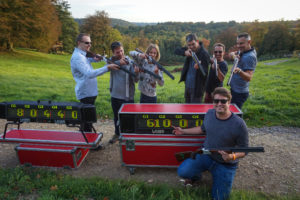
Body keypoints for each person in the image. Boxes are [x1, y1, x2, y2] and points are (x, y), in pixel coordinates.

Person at [173, 87, 248, 200]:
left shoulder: (239, 124)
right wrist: (183, 131)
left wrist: (232, 156)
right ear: (213, 102)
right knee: (183, 171)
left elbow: (244, 150)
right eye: (216, 101)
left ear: (229, 102)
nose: (219, 104)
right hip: (206, 155)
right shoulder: (209, 113)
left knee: (219, 198)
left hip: (226, 164)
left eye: (223, 101)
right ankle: (196, 177)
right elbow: (202, 129)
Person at [70, 33, 119, 132]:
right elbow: (89, 73)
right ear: (79, 43)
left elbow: (86, 61)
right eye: (87, 43)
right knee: (87, 121)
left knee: (87, 120)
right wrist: (107, 67)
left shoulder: (82, 55)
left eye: (90, 43)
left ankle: (86, 142)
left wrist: (94, 59)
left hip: (89, 92)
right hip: (86, 93)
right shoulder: (78, 57)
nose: (89, 45)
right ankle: (87, 144)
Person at [109, 41, 139, 143]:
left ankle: (129, 136)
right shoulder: (111, 61)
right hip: (115, 95)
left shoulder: (130, 62)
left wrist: (136, 73)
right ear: (113, 53)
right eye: (117, 52)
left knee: (129, 118)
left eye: (121, 51)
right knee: (116, 116)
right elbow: (107, 66)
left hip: (128, 96)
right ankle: (117, 134)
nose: (120, 53)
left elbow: (136, 80)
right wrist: (118, 63)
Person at [175, 33, 210, 103]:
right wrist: (184, 52)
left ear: (197, 41)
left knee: (195, 111)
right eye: (189, 45)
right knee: (187, 110)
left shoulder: (204, 54)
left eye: (193, 44)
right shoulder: (189, 50)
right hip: (187, 85)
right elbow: (176, 51)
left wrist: (199, 68)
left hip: (197, 88)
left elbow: (205, 73)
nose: (191, 46)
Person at [229, 32, 257, 109]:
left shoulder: (249, 57)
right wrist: (233, 55)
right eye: (237, 43)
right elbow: (231, 54)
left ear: (249, 42)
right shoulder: (244, 51)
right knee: (231, 111)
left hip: (239, 93)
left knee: (234, 115)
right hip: (235, 89)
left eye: (241, 43)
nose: (238, 46)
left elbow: (249, 78)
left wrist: (239, 71)